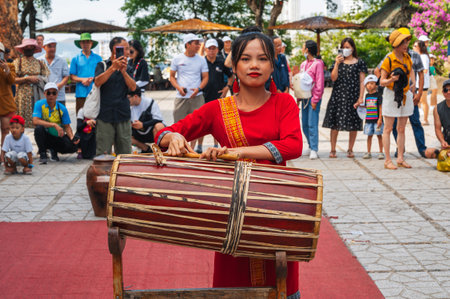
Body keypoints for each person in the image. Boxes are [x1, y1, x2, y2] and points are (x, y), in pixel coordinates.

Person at [155, 29, 302, 299]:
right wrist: (172, 135)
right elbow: (163, 133)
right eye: (246, 58)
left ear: (273, 64)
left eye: (262, 58)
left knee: (281, 285)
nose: (254, 65)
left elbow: (293, 146)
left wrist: (235, 153)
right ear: (233, 65)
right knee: (232, 288)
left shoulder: (285, 103)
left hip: (275, 212)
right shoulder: (217, 109)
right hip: (233, 217)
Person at [322, 37, 367, 158]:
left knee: (354, 123)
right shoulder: (337, 61)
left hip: (353, 95)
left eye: (348, 47)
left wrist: (361, 97)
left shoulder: (359, 62)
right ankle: (333, 149)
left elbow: (362, 81)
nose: (345, 50)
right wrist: (337, 63)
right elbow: (333, 78)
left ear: (353, 48)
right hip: (338, 95)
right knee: (334, 123)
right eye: (343, 47)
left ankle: (350, 149)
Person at [379, 28, 416, 170]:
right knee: (388, 128)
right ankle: (388, 160)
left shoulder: (407, 57)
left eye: (406, 42)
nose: (406, 45)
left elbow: (411, 69)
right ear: (396, 45)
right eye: (403, 42)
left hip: (405, 95)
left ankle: (400, 158)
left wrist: (413, 83)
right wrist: (391, 79)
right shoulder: (388, 59)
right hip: (391, 95)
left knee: (401, 128)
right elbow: (381, 81)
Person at [94, 37, 136, 156]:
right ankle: (104, 174)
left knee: (125, 153)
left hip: (123, 114)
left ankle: (123, 174)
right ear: (115, 49)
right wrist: (113, 68)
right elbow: (97, 82)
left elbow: (133, 88)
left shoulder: (128, 68)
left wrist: (123, 71)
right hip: (104, 115)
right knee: (103, 153)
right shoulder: (102, 65)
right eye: (125, 49)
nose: (128, 52)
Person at [169, 33, 208, 149]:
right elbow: (171, 76)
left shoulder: (201, 60)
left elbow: (206, 77)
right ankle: (180, 147)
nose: (199, 45)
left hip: (197, 97)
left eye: (199, 43)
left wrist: (199, 89)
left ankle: (192, 149)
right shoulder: (177, 59)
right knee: (178, 125)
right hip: (181, 97)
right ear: (188, 44)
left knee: (197, 124)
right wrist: (179, 88)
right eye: (196, 43)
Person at [196, 38, 234, 151]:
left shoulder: (221, 62)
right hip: (203, 96)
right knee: (201, 122)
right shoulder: (201, 62)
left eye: (214, 48)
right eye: (209, 49)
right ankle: (199, 146)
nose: (211, 51)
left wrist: (227, 87)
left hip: (218, 96)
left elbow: (231, 76)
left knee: (217, 122)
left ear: (217, 50)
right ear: (206, 50)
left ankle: (216, 145)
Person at [32, 82, 79, 164]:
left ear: (57, 94)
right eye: (48, 93)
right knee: (38, 129)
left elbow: (67, 126)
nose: (51, 95)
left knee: (73, 147)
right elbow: (35, 121)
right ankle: (43, 153)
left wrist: (72, 138)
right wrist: (54, 125)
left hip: (57, 136)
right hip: (45, 135)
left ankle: (54, 150)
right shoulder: (39, 104)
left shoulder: (62, 108)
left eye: (54, 93)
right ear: (44, 94)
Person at [14, 38, 50, 127]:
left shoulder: (40, 63)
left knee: (38, 123)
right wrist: (26, 78)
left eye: (31, 47)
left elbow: (46, 78)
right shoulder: (18, 62)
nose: (28, 49)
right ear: (22, 49)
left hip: (37, 95)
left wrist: (37, 78)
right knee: (21, 124)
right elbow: (13, 79)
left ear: (34, 49)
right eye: (26, 47)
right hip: (22, 97)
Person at [298, 40, 324, 160]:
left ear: (307, 49)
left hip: (313, 98)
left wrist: (316, 99)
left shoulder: (318, 64)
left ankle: (314, 148)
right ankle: (309, 144)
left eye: (303, 47)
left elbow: (319, 82)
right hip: (304, 98)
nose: (302, 49)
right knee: (304, 124)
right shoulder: (303, 64)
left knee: (312, 123)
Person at [69, 33, 102, 114]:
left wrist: (91, 79)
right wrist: (83, 79)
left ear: (91, 43)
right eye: (83, 42)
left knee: (95, 117)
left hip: (95, 92)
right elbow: (72, 76)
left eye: (87, 42)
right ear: (80, 44)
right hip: (81, 93)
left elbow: (101, 74)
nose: (85, 44)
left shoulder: (98, 58)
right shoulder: (75, 59)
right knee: (80, 117)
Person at [128, 88, 165, 152]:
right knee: (124, 133)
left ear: (135, 96)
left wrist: (143, 125)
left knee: (159, 126)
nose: (126, 100)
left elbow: (158, 119)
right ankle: (146, 149)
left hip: (151, 132)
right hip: (138, 133)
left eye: (128, 98)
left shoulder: (150, 102)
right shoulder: (128, 106)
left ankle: (159, 150)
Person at [39, 38, 70, 106]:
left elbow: (66, 76)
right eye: (50, 46)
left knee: (60, 115)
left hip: (59, 96)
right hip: (43, 96)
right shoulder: (39, 61)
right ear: (44, 47)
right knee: (44, 116)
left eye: (54, 46)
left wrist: (59, 86)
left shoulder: (62, 61)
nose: (52, 49)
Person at [361, 74, 384, 159]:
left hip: (377, 120)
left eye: (372, 83)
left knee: (379, 136)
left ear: (376, 85)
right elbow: (366, 106)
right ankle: (368, 152)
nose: (370, 85)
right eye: (368, 83)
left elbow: (381, 107)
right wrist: (358, 105)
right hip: (368, 120)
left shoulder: (378, 96)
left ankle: (381, 152)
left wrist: (380, 119)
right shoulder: (367, 96)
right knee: (369, 136)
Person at [0, 42, 17, 148]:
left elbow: (12, 81)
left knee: (6, 130)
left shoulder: (10, 66)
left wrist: (6, 69)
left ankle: (3, 155)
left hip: (6, 103)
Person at [413, 40, 431, 125]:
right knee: (418, 101)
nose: (413, 48)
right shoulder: (419, 56)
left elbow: (425, 70)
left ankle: (426, 119)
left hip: (423, 83)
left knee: (423, 101)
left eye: (415, 46)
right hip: (417, 82)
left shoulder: (423, 57)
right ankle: (417, 118)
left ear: (420, 47)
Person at [433, 79, 450, 149]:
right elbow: (438, 129)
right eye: (446, 90)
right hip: (448, 140)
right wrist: (442, 141)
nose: (448, 92)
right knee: (429, 152)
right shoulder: (437, 108)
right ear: (443, 92)